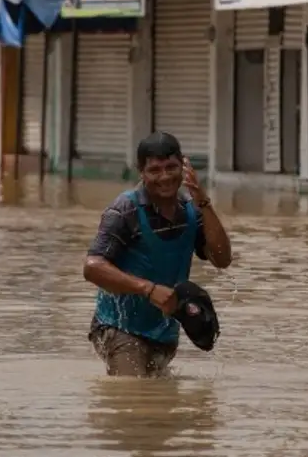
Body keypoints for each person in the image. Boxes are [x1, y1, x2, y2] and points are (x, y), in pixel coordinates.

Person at [83, 131, 233, 378]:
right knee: (132, 402)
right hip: (118, 326)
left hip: (164, 330)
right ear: (141, 172)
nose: (164, 177)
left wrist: (203, 200)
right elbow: (92, 266)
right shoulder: (124, 210)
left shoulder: (191, 212)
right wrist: (148, 289)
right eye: (154, 170)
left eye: (171, 167)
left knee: (159, 405)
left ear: (184, 167)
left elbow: (222, 259)